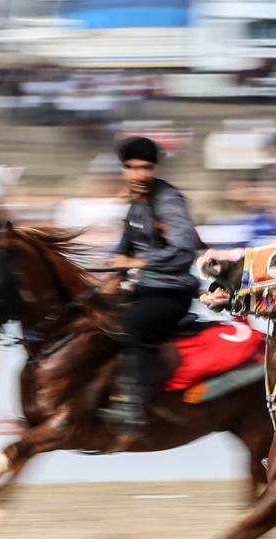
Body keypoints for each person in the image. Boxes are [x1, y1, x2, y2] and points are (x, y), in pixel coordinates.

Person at [97, 136, 202, 432]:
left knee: (133, 327)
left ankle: (132, 406)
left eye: (145, 168)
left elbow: (183, 251)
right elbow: (124, 246)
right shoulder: (135, 206)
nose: (139, 175)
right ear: (123, 170)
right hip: (143, 287)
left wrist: (135, 264)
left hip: (172, 291)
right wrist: (113, 276)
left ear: (154, 168)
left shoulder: (169, 201)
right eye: (131, 168)